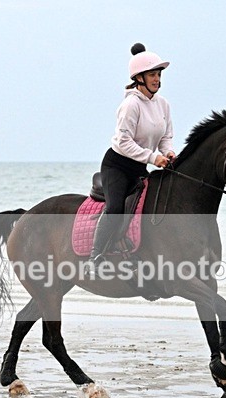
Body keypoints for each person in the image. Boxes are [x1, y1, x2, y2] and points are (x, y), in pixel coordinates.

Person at [86, 43, 176, 276]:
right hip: (117, 165)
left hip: (139, 166)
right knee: (116, 208)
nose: (157, 79)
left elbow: (165, 137)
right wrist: (153, 157)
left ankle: (135, 252)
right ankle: (95, 258)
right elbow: (124, 142)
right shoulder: (130, 105)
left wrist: (168, 152)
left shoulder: (163, 105)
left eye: (158, 74)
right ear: (139, 78)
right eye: (152, 75)